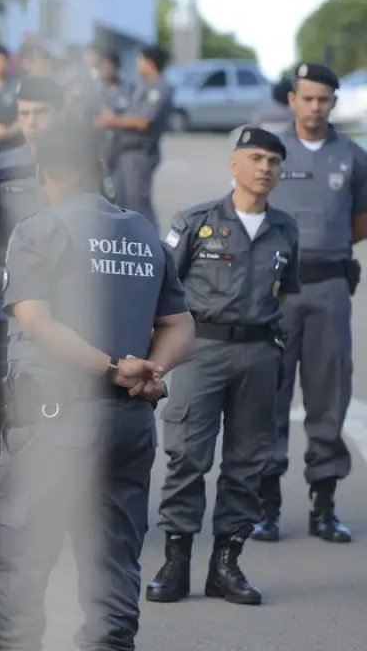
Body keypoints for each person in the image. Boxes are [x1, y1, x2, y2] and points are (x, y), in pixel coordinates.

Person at [0, 122, 194, 651]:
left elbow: (37, 321)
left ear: (41, 171)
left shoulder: (39, 230)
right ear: (100, 170)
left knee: (22, 561)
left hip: (57, 420)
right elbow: (181, 326)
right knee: (113, 563)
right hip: (128, 421)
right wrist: (151, 372)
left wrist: (110, 367)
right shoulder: (144, 232)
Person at [147, 128, 299, 606]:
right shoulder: (196, 221)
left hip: (258, 354)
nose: (265, 168)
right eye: (255, 158)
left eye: (274, 161)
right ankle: (175, 562)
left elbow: (286, 293)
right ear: (234, 165)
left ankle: (227, 565)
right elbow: (162, 287)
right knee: (188, 456)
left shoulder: (286, 229)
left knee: (248, 462)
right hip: (202, 348)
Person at [253, 62, 367, 545]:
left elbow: (361, 219)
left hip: (328, 290)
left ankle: (324, 504)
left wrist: (330, 249)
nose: (316, 107)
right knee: (268, 394)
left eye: (324, 99)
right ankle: (266, 506)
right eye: (308, 98)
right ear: (293, 100)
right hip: (276, 290)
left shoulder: (353, 157)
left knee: (328, 393)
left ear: (334, 103)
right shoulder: (269, 152)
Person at [0, 76, 64, 276]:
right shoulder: (1, 166)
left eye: (40, 113)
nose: (31, 122)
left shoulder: (81, 164)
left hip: (66, 279)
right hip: (13, 279)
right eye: (24, 114)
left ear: (60, 114)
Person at [99, 45, 173, 229]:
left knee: (138, 205)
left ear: (149, 62)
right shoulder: (144, 85)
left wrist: (112, 120)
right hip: (124, 153)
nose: (138, 64)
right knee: (123, 203)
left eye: (140, 60)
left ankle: (152, 248)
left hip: (139, 153)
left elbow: (143, 121)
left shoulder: (159, 87)